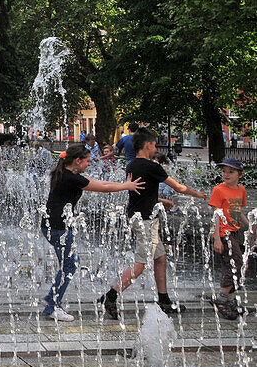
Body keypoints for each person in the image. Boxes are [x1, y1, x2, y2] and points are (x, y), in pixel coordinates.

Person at [99, 129, 207, 318]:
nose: (156, 148)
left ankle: (164, 301)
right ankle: (110, 296)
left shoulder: (132, 164)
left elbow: (142, 191)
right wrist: (197, 194)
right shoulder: (152, 167)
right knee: (141, 264)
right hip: (146, 221)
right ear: (148, 145)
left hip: (138, 217)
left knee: (160, 258)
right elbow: (178, 187)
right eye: (155, 145)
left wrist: (159, 201)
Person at [40, 146, 144, 321]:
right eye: (87, 161)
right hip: (59, 227)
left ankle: (51, 299)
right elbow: (103, 188)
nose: (89, 163)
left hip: (53, 225)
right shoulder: (71, 178)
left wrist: (124, 185)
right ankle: (52, 306)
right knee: (70, 265)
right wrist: (126, 186)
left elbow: (102, 183)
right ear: (77, 161)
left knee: (69, 264)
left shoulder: (65, 173)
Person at [208, 158, 249, 320]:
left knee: (237, 263)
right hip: (223, 233)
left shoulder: (241, 190)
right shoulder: (219, 190)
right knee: (234, 262)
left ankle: (230, 299)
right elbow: (216, 215)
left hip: (235, 231)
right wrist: (217, 238)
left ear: (240, 174)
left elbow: (237, 212)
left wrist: (250, 225)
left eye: (231, 171)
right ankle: (222, 299)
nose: (226, 174)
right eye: (224, 171)